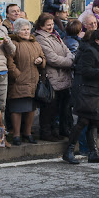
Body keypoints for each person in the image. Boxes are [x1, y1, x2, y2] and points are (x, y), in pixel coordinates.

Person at [62, 29, 99, 165]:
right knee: (83, 121)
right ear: (96, 40)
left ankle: (94, 152)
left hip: (98, 91)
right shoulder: (89, 51)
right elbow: (84, 71)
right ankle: (68, 151)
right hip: (87, 92)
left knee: (94, 121)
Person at [34, 12, 74, 141]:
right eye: (48, 25)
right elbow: (52, 59)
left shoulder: (55, 35)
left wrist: (69, 59)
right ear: (41, 25)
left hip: (63, 76)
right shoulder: (40, 38)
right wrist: (69, 62)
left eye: (52, 24)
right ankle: (46, 132)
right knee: (49, 107)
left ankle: (57, 130)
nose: (51, 27)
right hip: (51, 76)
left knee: (61, 107)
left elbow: (67, 50)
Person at [5, 18, 45, 145]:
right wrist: (17, 76)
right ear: (17, 31)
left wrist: (41, 60)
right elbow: (9, 63)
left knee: (31, 109)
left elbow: (43, 57)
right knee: (17, 109)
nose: (27, 32)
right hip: (19, 82)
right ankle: (16, 135)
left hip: (33, 81)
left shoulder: (35, 43)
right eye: (23, 29)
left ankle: (27, 133)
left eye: (28, 29)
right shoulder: (13, 43)